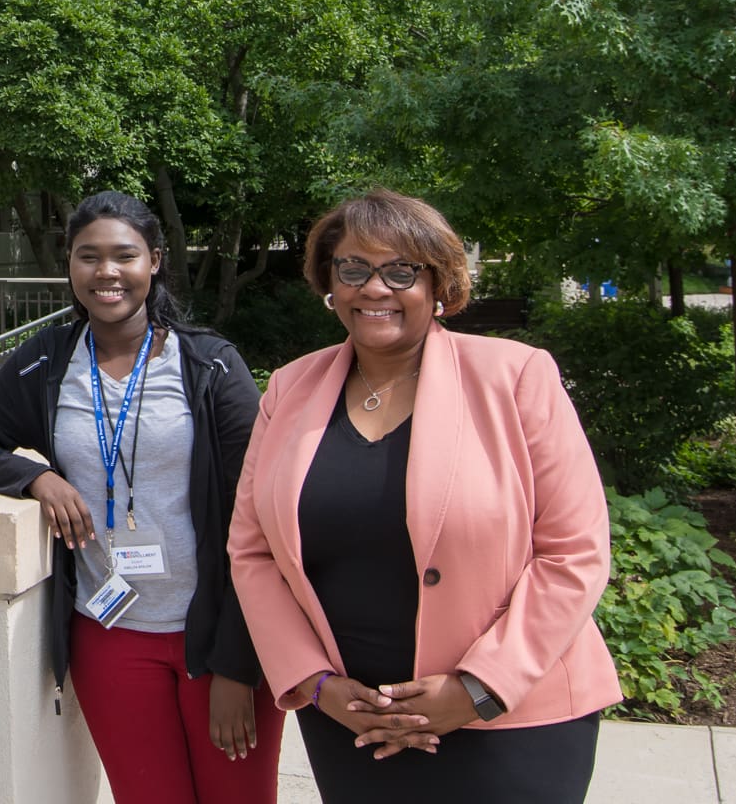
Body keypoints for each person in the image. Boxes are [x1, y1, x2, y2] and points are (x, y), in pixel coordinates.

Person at [228, 190, 621, 803]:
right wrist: (316, 683)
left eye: (400, 270)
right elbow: (251, 554)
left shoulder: (515, 375)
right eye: (352, 268)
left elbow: (574, 551)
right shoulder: (289, 388)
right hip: (352, 723)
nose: (374, 288)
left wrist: (477, 688)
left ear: (440, 284)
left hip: (509, 720)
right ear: (330, 282)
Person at [0, 192, 278, 804]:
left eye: (124, 255)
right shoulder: (47, 361)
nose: (106, 272)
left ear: (154, 261)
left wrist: (240, 664)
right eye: (88, 256)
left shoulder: (208, 365)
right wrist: (35, 479)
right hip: (111, 634)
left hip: (217, 638)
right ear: (70, 267)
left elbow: (258, 515)